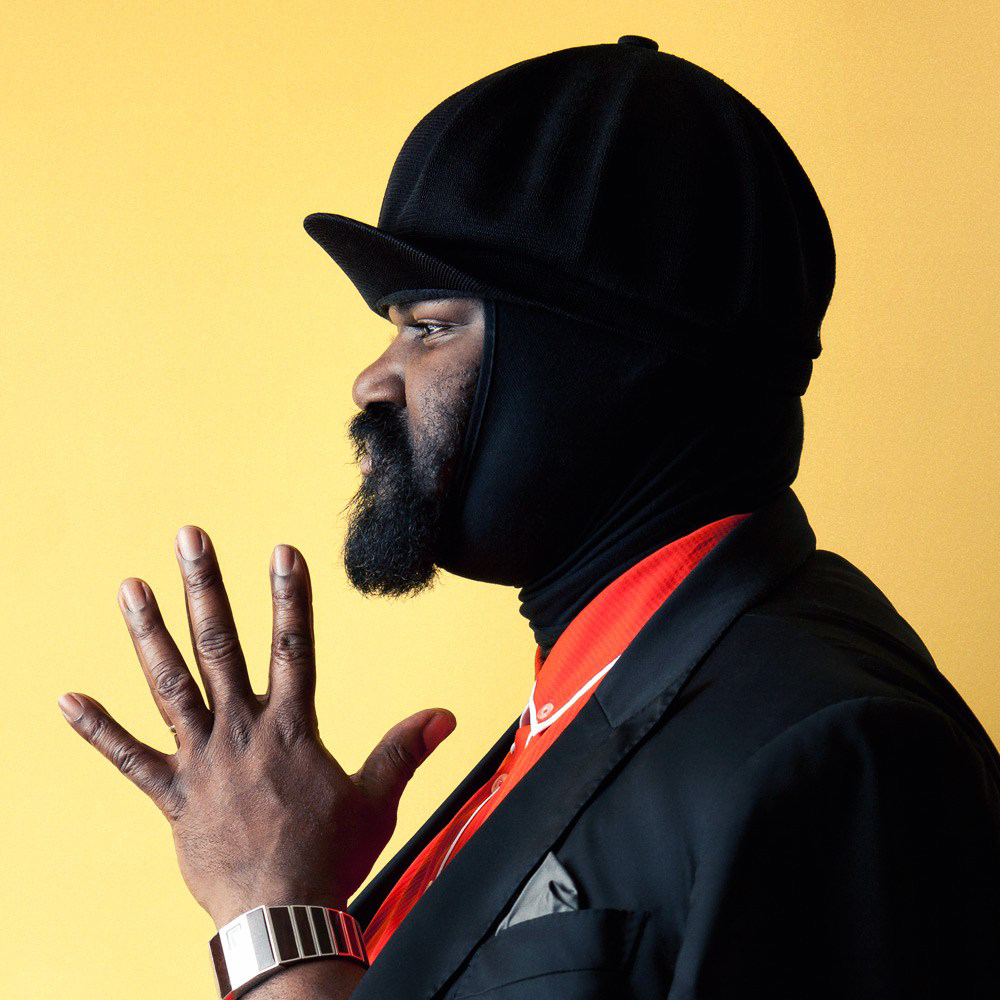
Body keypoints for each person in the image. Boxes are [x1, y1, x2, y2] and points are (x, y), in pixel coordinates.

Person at [60, 37, 1000, 1000]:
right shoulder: (600, 689)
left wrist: (273, 914)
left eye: (430, 327)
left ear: (603, 366)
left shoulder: (842, 755)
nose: (373, 379)